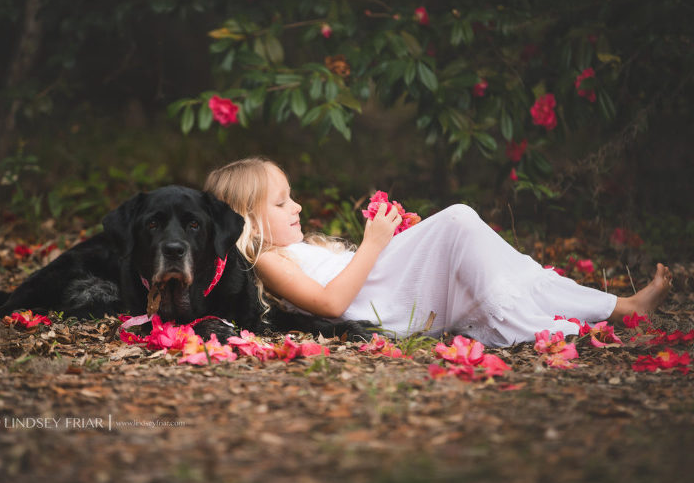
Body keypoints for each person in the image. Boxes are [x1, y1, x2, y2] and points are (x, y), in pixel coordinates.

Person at [203, 157, 672, 347]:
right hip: (384, 304)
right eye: (282, 202)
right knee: (457, 219)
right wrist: (376, 245)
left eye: (292, 196)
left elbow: (360, 272)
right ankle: (530, 325)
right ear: (244, 216)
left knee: (503, 261)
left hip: (387, 285)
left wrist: (401, 243)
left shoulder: (298, 247)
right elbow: (330, 304)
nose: (297, 206)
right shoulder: (265, 259)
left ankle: (619, 306)